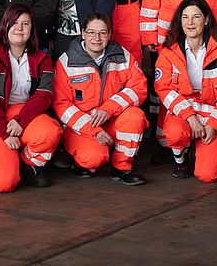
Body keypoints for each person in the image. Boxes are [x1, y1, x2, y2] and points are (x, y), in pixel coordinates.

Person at [0, 5, 63, 192]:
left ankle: (28, 164)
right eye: (15, 23)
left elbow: (44, 95)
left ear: (31, 29)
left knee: (50, 131)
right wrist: (3, 133)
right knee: (4, 183)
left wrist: (21, 120)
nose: (19, 28)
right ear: (5, 26)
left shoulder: (41, 57)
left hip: (23, 115)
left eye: (25, 23)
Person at [53, 13, 148, 185]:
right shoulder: (66, 62)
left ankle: (122, 167)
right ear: (82, 33)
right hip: (82, 127)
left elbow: (139, 88)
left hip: (112, 120)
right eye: (91, 32)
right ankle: (80, 160)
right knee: (93, 158)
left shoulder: (122, 56)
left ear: (110, 34)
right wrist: (93, 130)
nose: (97, 38)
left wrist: (109, 108)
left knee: (135, 115)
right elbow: (62, 106)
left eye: (103, 33)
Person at [153, 0, 217, 182]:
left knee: (207, 175)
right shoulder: (168, 52)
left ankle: (204, 150)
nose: (190, 23)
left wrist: (213, 126)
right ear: (179, 21)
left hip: (214, 116)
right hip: (184, 114)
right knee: (175, 131)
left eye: (196, 17)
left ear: (206, 20)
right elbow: (163, 88)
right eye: (185, 17)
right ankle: (180, 159)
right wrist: (190, 117)